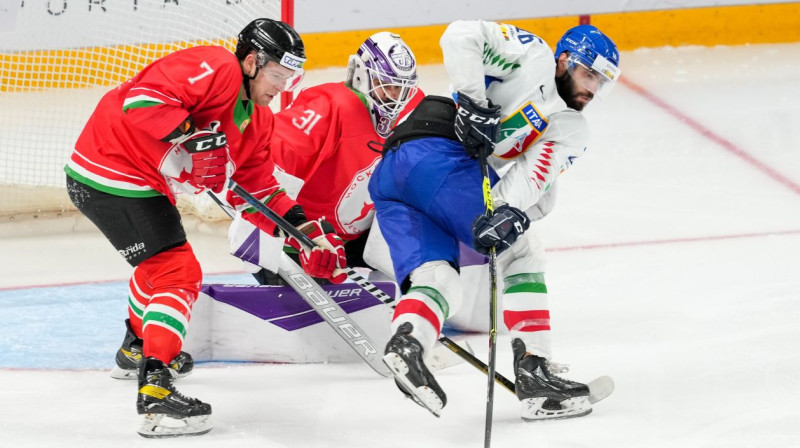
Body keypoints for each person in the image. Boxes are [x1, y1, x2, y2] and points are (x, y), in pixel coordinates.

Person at [64, 18, 348, 438]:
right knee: (177, 273)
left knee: (158, 265)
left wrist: (306, 232)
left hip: (140, 183)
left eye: (290, 78)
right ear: (251, 61)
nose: (281, 87)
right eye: (276, 75)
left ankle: (135, 348)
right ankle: (156, 394)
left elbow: (260, 190)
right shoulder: (216, 67)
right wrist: (192, 135)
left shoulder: (260, 121)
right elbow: (141, 100)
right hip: (111, 170)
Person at [368, 20, 621, 420]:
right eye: (589, 74)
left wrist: (503, 213)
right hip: (436, 157)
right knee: (523, 254)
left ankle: (408, 345)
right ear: (565, 61)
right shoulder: (532, 55)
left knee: (438, 277)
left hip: (394, 176)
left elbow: (533, 183)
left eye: (601, 83)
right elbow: (459, 35)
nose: (592, 89)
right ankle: (536, 373)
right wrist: (471, 100)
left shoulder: (569, 126)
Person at [230, 31, 422, 285]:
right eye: (387, 85)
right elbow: (263, 170)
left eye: (402, 88)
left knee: (422, 260)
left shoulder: (413, 107)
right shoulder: (327, 107)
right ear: (361, 76)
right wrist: (304, 235)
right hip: (299, 239)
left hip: (358, 236)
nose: (395, 97)